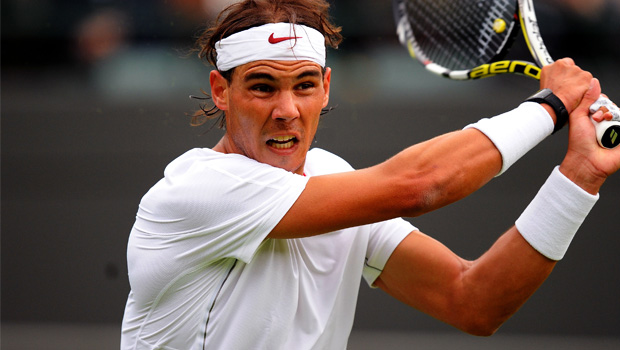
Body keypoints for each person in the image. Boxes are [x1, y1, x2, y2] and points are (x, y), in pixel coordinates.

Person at [120, 0, 620, 349]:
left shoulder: (331, 177)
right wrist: (549, 107)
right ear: (220, 91)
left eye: (304, 85)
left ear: (326, 88)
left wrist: (578, 178)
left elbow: (473, 301)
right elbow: (420, 185)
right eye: (263, 87)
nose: (287, 110)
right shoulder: (195, 191)